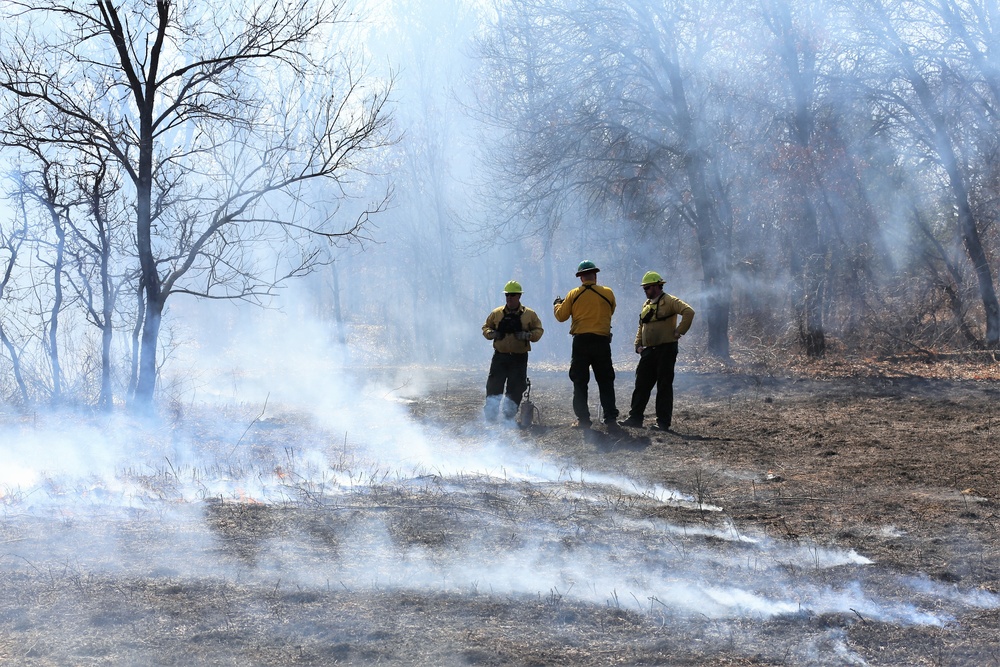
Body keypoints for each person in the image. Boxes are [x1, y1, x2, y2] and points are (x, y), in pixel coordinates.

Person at [619, 271, 694, 431]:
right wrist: (638, 343)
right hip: (648, 351)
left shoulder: (669, 301)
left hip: (666, 349)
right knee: (641, 384)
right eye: (644, 288)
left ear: (656, 286)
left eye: (647, 288)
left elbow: (689, 312)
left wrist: (679, 331)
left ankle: (662, 423)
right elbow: (642, 326)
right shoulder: (646, 305)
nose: (645, 291)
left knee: (664, 385)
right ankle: (635, 418)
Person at [553, 260, 619, 429]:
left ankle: (583, 420)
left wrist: (557, 305)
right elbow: (610, 310)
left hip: (581, 343)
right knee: (605, 380)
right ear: (595, 275)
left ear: (581, 277)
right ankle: (610, 419)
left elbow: (561, 317)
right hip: (602, 342)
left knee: (580, 381)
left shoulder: (574, 294)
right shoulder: (608, 292)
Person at [482, 280, 544, 423]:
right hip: (500, 357)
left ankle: (508, 417)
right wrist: (492, 334)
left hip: (519, 358)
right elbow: (485, 328)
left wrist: (528, 335)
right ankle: (490, 418)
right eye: (507, 295)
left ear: (519, 296)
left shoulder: (529, 314)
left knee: (516, 388)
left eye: (513, 295)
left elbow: (538, 330)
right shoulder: (496, 313)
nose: (509, 298)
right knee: (493, 386)